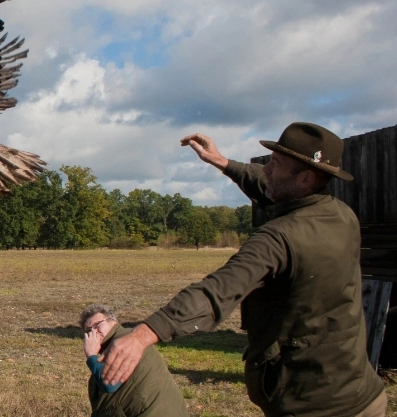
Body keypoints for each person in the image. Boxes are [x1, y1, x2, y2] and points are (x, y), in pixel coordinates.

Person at [100, 122, 387, 417]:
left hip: (314, 408)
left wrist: (144, 334)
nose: (266, 169)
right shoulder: (341, 215)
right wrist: (222, 162)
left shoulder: (277, 239)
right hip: (363, 396)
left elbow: (216, 292)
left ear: (305, 178)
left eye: (275, 164)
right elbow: (268, 188)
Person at [80, 304, 188, 417]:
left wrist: (91, 354)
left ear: (114, 322)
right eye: (88, 330)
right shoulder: (112, 346)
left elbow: (109, 382)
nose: (94, 332)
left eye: (97, 325)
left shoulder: (126, 340)